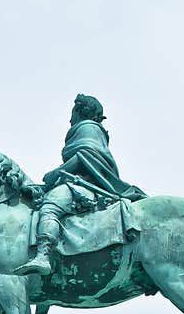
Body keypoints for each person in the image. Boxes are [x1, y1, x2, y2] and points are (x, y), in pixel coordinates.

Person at [15, 94, 145, 276]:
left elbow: (84, 156)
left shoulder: (87, 127)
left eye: (72, 113)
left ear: (79, 111)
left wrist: (56, 173)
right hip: (81, 183)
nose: (70, 119)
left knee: (50, 207)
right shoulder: (93, 131)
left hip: (86, 186)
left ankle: (43, 256)